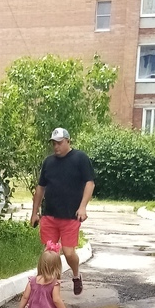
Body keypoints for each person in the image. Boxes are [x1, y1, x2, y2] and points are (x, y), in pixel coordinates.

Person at [30, 127, 95, 296]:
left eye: (59, 143)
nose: (56, 147)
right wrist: (34, 212)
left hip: (70, 215)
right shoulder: (48, 162)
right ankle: (50, 287)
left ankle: (75, 275)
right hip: (50, 214)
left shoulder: (80, 158)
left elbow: (90, 183)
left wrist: (82, 207)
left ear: (68, 141)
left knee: (68, 252)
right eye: (54, 143)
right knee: (50, 253)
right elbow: (40, 187)